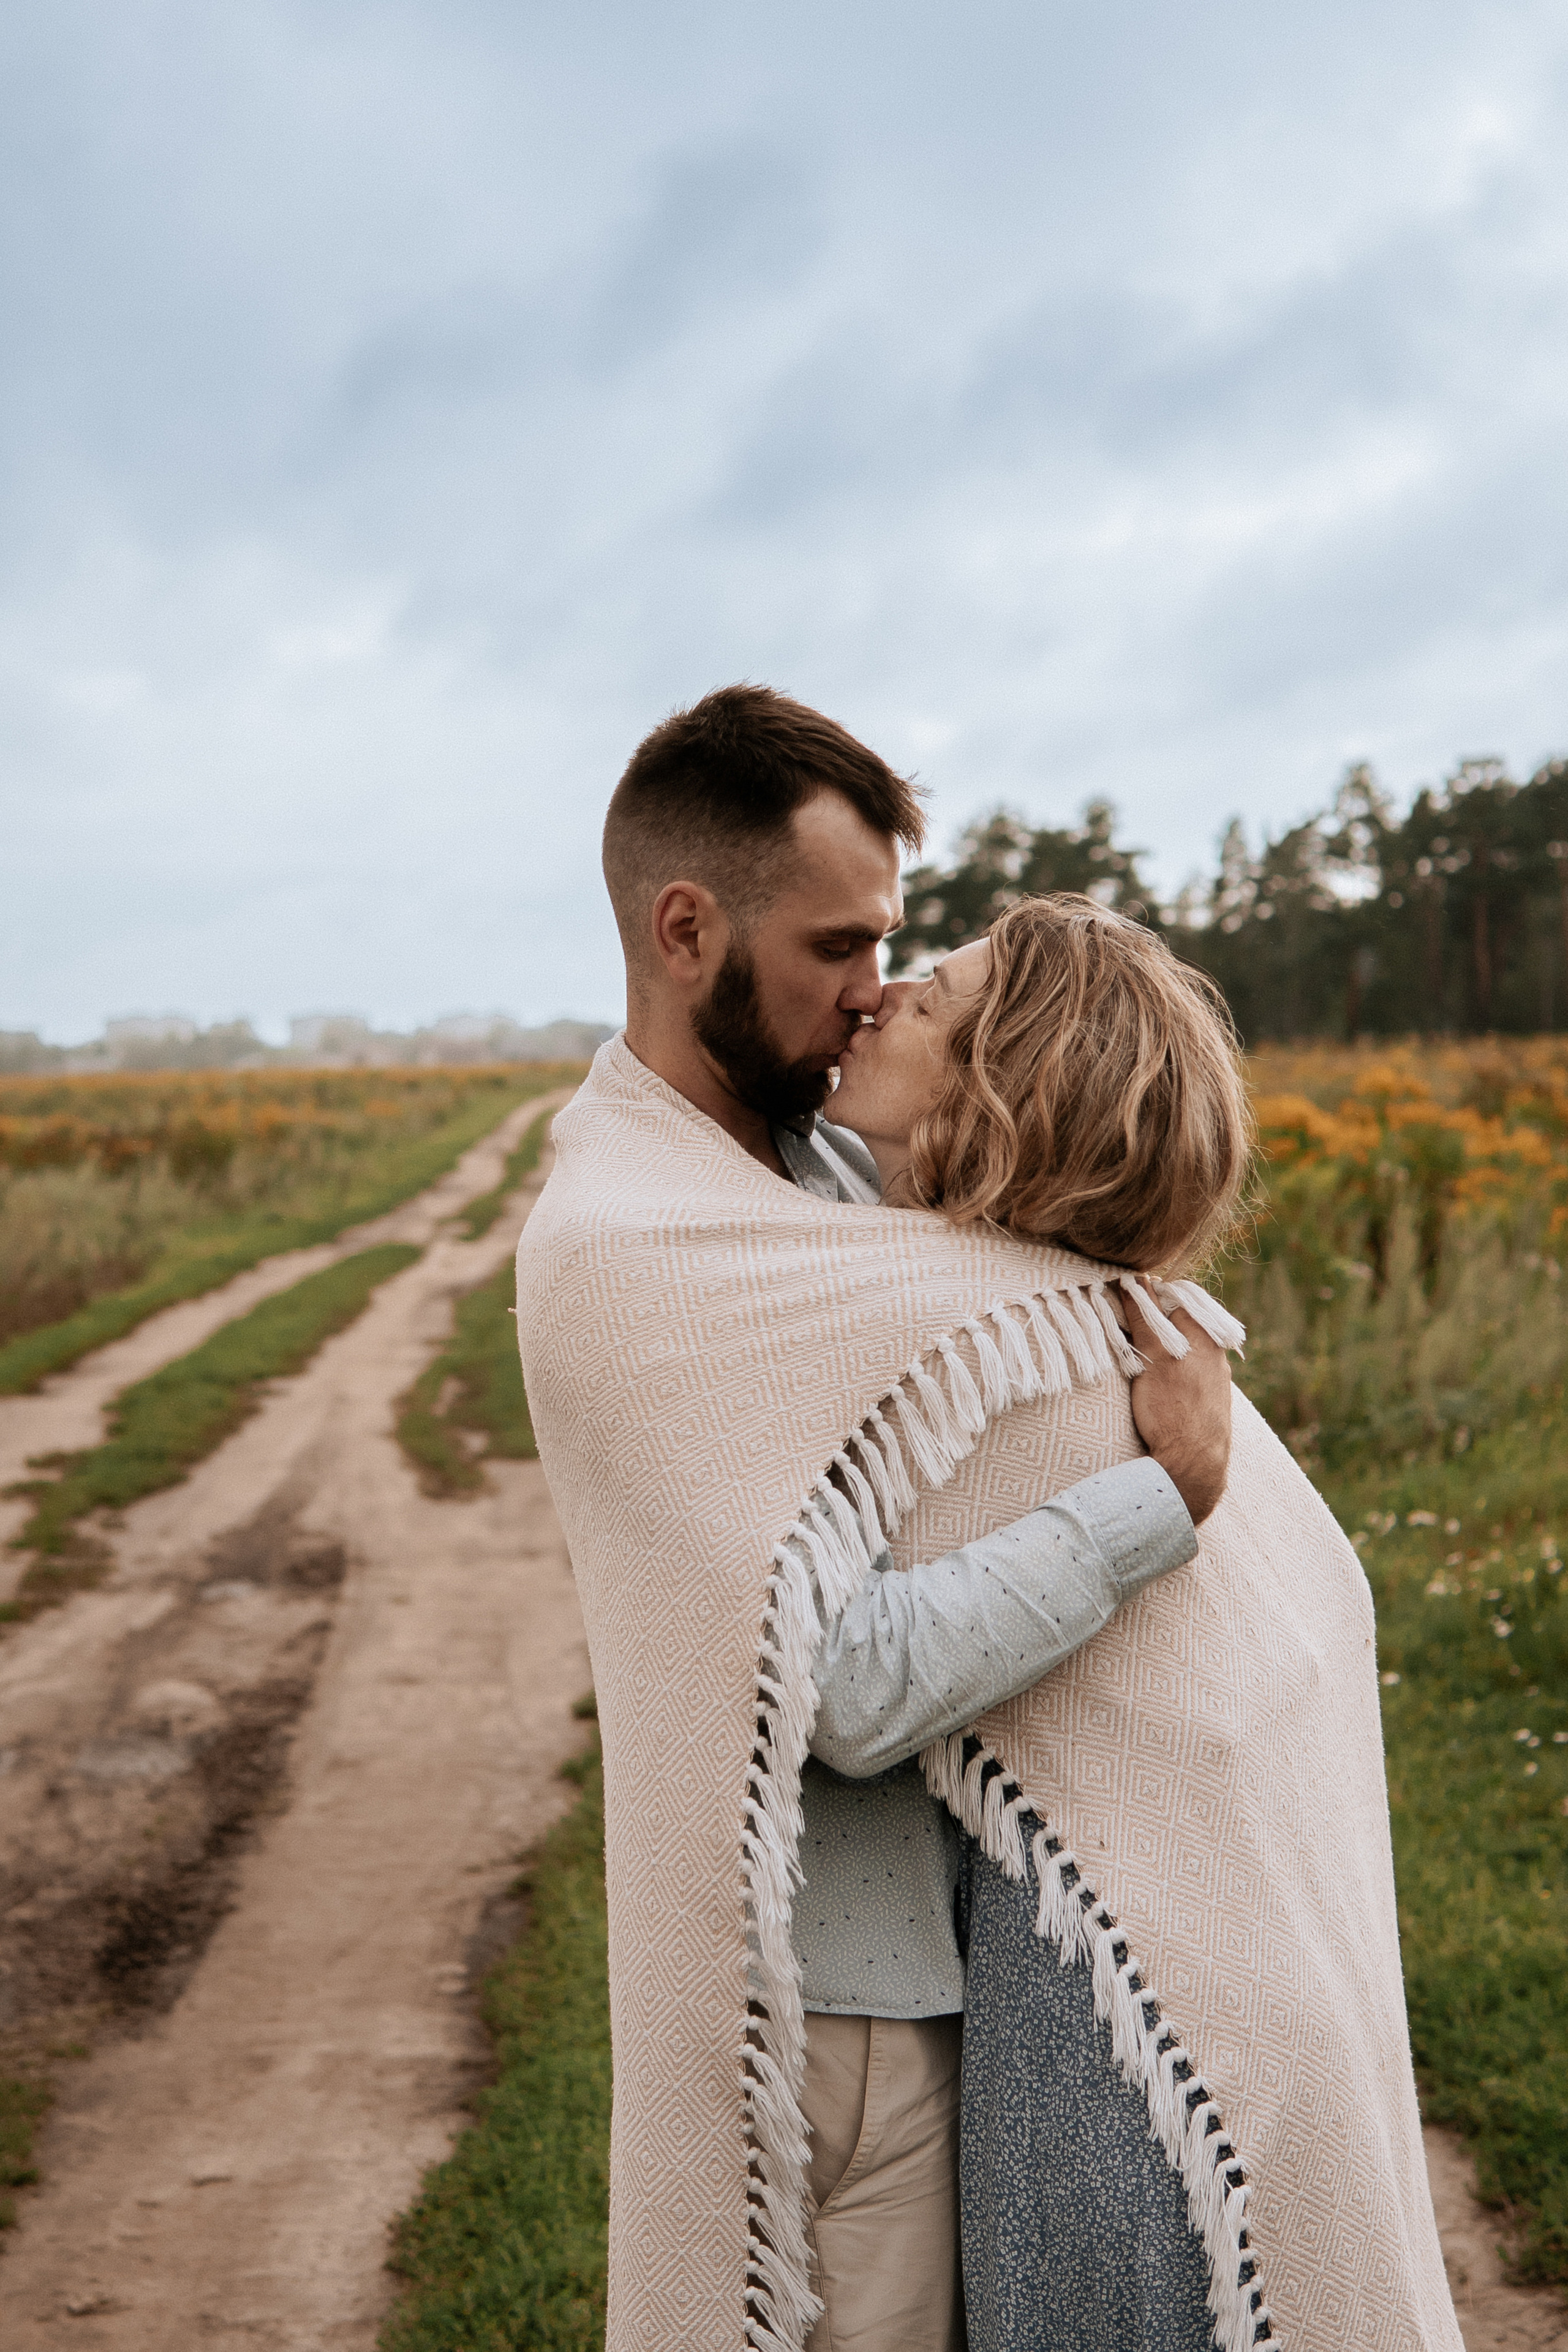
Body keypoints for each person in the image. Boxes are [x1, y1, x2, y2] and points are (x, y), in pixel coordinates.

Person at [592, 687, 1235, 2350]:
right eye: (841, 946)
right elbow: (850, 1690)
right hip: (832, 2019)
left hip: (954, 1983)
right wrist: (1148, 1503)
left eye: (895, 950)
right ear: (687, 931)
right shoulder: (644, 1251)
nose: (872, 990)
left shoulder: (836, 1190)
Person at [821, 897, 1461, 2352]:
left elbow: (847, 1688)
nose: (881, 998)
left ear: (1004, 1088)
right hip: (1220, 1999)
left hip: (1119, 2033)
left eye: (931, 997)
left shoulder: (980, 1351)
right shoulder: (1130, 1324)